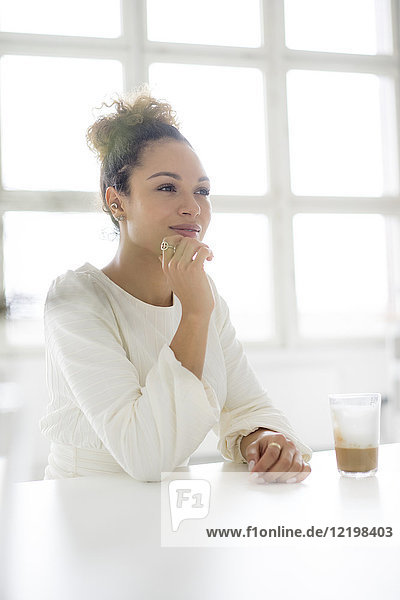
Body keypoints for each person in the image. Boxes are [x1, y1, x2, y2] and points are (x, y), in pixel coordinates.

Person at [39, 85, 312, 483]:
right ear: (116, 202)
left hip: (171, 512)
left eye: (202, 190)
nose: (193, 207)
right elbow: (147, 455)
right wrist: (196, 313)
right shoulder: (76, 298)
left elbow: (247, 404)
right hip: (87, 512)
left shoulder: (201, 292)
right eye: (167, 187)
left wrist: (265, 437)